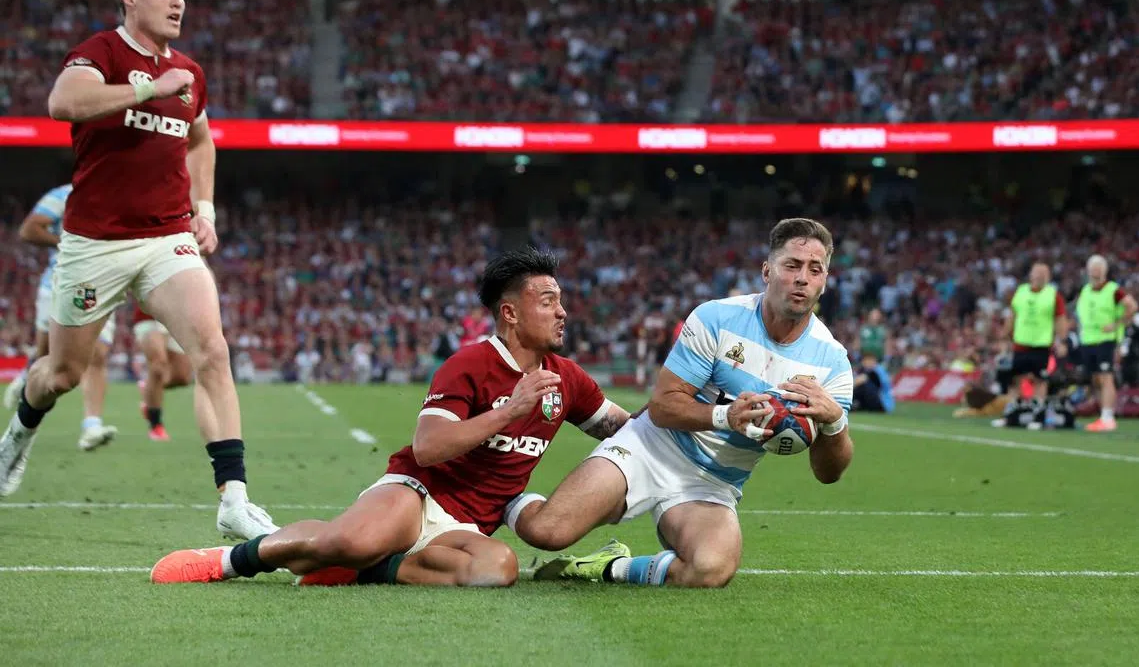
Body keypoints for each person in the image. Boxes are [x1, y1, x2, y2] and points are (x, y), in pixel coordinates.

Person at [150, 249, 637, 587]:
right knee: (347, 541)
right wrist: (512, 409)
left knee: (497, 570)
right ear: (509, 313)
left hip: (467, 526)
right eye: (548, 301)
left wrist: (692, 411)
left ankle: (367, 572)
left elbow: (622, 426)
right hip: (417, 492)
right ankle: (229, 561)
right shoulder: (470, 364)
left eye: (560, 301)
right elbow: (428, 447)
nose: (563, 313)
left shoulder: (567, 378)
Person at [0, 0, 276, 541]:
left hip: (167, 237)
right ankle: (17, 435)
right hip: (95, 243)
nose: (178, 1)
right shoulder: (102, 52)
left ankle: (233, 497)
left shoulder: (190, 73)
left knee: (212, 351)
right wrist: (146, 87)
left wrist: (204, 210)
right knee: (62, 374)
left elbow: (202, 141)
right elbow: (62, 104)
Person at [511, 218, 854, 588]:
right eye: (792, 265)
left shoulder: (831, 362)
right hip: (650, 448)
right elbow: (663, 408)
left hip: (714, 484)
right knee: (547, 531)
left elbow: (828, 472)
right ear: (767, 272)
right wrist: (727, 416)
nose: (803, 278)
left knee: (711, 569)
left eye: (815, 269)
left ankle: (609, 567)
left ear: (824, 281)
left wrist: (834, 423)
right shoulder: (717, 319)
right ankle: (501, 498)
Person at [3, 183, 119, 452]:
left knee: (97, 352)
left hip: (101, 284)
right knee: (47, 357)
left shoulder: (122, 194)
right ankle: (26, 381)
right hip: (61, 281)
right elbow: (29, 229)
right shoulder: (64, 195)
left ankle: (92, 426)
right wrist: (68, 242)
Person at [994, 262, 1066, 429]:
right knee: (1014, 380)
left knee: (1040, 381)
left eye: (1043, 274)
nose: (1039, 276)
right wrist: (1005, 336)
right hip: (1021, 344)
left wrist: (1061, 341)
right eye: (1037, 273)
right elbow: (1012, 315)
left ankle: (1038, 417)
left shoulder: (1053, 296)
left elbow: (1060, 320)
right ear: (1031, 275)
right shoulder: (1021, 292)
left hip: (1041, 345)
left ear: (1048, 277)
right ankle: (1012, 415)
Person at [1075, 255, 1137, 433]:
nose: (1095, 271)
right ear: (1088, 271)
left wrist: (1117, 324)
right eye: (1093, 268)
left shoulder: (1113, 290)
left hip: (1106, 340)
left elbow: (1131, 306)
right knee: (1095, 379)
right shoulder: (1085, 290)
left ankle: (1108, 416)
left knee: (1106, 376)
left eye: (1098, 267)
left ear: (1105, 270)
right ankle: (1102, 414)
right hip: (1088, 339)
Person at [133, 306, 192, 441]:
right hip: (149, 316)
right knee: (158, 365)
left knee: (182, 377)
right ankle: (156, 426)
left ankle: (148, 390)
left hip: (177, 318)